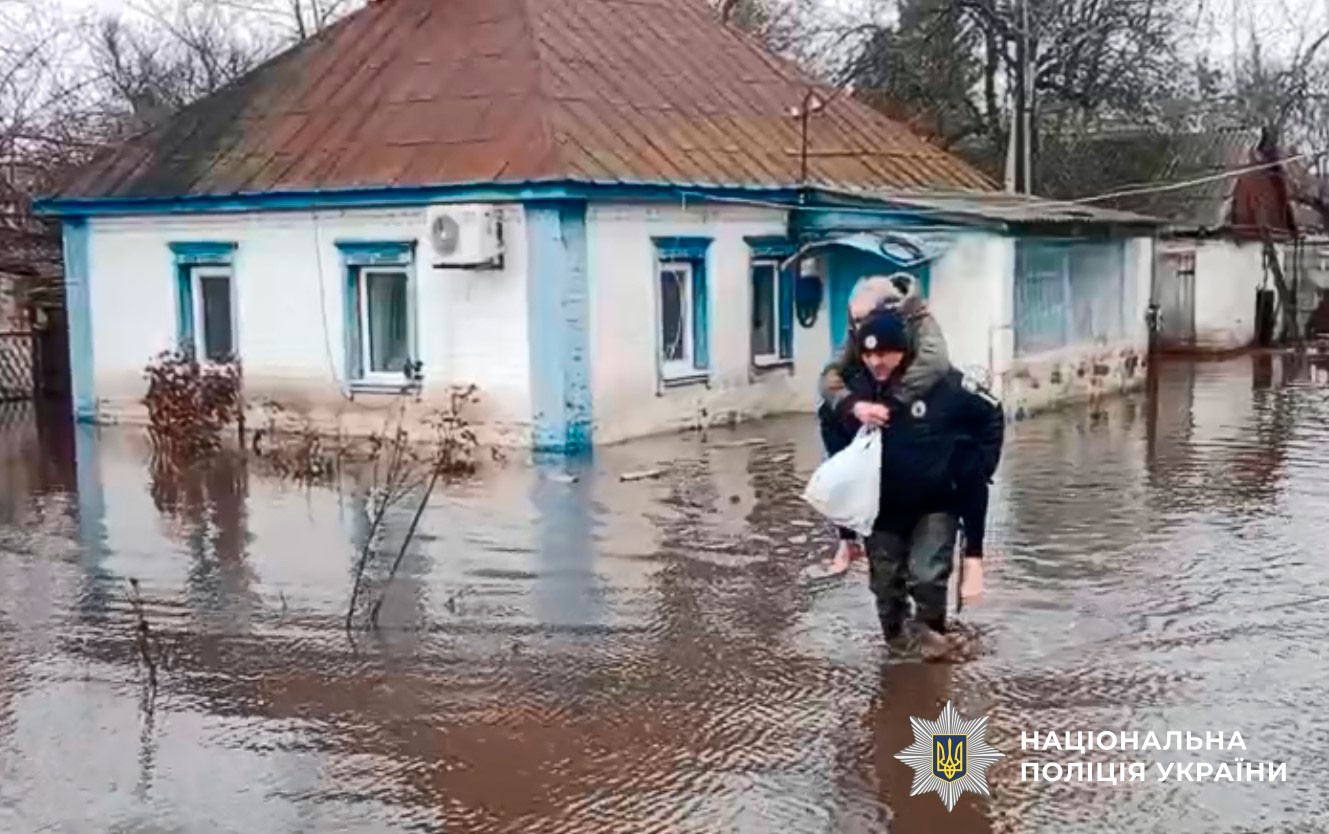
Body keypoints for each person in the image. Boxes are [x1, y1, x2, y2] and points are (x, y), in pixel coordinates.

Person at [831, 307, 1003, 661]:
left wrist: (981, 467)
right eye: (868, 354)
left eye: (885, 353)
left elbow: (990, 413)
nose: (876, 361)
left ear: (905, 350)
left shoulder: (943, 384)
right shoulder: (857, 391)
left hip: (935, 504)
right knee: (885, 587)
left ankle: (934, 646)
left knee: (927, 577)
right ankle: (899, 652)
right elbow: (834, 449)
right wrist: (845, 534)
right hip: (881, 509)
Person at [810, 273, 952, 579]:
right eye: (854, 322)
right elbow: (830, 374)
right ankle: (849, 540)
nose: (858, 329)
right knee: (831, 417)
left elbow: (936, 363)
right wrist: (851, 404)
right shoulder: (860, 329)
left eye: (864, 320)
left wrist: (893, 403)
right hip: (873, 402)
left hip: (916, 404)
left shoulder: (917, 320)